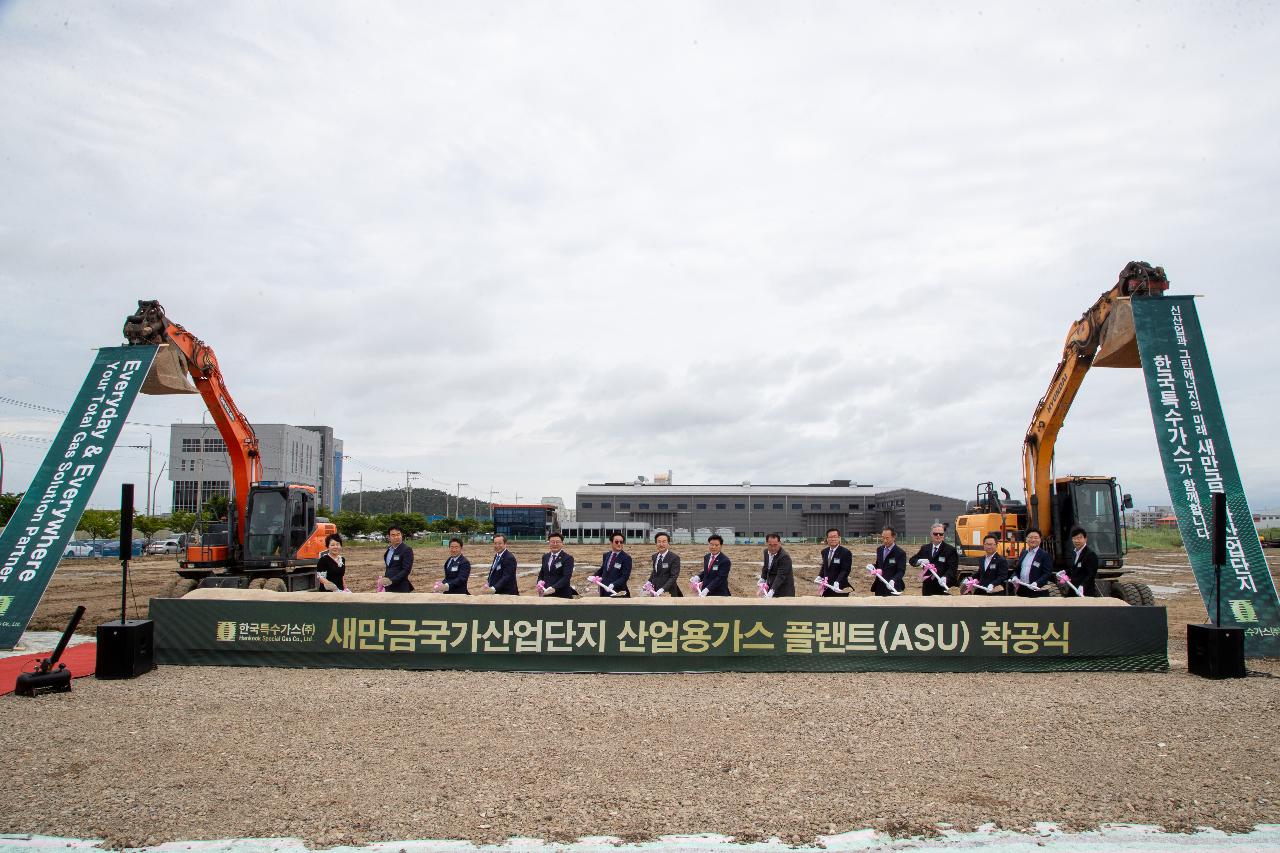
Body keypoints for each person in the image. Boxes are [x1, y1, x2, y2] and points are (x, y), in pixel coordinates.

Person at [911, 524, 959, 595]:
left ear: (943, 535)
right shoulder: (925, 548)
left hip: (943, 587)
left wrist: (946, 577)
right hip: (928, 588)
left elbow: (952, 568)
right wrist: (919, 561)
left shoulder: (950, 550)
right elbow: (912, 560)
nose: (938, 536)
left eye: (941, 534)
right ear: (931, 534)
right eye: (935, 534)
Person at [1012, 528, 1054, 597]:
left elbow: (1047, 573)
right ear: (1026, 539)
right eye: (1030, 537)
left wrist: (1037, 583)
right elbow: (1017, 569)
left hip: (1037, 590)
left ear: (1040, 539)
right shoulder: (1023, 553)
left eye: (1036, 538)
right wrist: (1015, 576)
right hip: (1022, 589)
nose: (1033, 540)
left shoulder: (1044, 555)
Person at [1062, 526, 1100, 597]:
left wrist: (1083, 586)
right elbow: (1074, 569)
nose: (1077, 541)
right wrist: (1065, 572)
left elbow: (1091, 574)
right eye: (1074, 538)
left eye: (1079, 538)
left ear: (1085, 539)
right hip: (1074, 590)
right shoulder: (1074, 553)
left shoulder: (1090, 554)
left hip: (1085, 592)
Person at [537, 533, 578, 598]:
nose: (555, 544)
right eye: (552, 542)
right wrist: (539, 582)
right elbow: (542, 573)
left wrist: (553, 588)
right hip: (546, 593)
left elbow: (566, 577)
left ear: (562, 543)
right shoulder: (545, 557)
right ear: (549, 543)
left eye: (557, 542)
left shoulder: (567, 558)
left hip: (562, 594)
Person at [870, 526, 906, 596]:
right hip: (879, 587)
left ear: (893, 537)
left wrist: (893, 580)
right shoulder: (879, 550)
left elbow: (901, 571)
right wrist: (873, 566)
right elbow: (879, 565)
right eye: (883, 538)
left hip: (892, 588)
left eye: (887, 538)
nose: (885, 540)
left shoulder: (900, 553)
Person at [378, 525, 414, 593]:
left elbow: (406, 570)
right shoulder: (389, 550)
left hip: (400, 588)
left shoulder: (406, 550)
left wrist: (391, 581)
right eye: (393, 535)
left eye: (398, 534)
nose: (396, 537)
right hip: (389, 587)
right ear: (389, 537)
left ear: (401, 535)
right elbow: (389, 567)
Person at [595, 533, 633, 597]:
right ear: (611, 543)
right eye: (616, 542)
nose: (619, 544)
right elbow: (603, 569)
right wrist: (594, 576)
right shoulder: (606, 555)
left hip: (617, 592)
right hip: (604, 591)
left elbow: (625, 577)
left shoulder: (626, 558)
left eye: (621, 542)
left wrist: (613, 584)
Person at [817, 528, 852, 597]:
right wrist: (820, 576)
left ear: (839, 538)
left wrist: (838, 581)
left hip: (839, 587)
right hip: (826, 586)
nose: (833, 539)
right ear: (827, 539)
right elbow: (824, 566)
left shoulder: (845, 552)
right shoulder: (824, 552)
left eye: (835, 537)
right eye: (830, 537)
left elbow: (845, 570)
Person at [646, 531, 682, 596]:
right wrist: (649, 582)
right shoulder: (654, 556)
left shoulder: (674, 558)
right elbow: (655, 571)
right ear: (656, 543)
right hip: (655, 591)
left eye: (664, 541)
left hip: (668, 592)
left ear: (668, 543)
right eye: (659, 542)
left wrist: (663, 589)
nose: (661, 544)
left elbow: (673, 577)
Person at [759, 533, 794, 597]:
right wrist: (762, 579)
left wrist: (772, 591)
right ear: (766, 543)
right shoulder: (766, 552)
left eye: (775, 545)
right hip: (771, 588)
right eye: (770, 545)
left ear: (779, 543)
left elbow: (780, 576)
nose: (773, 548)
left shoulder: (784, 557)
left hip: (784, 591)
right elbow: (766, 568)